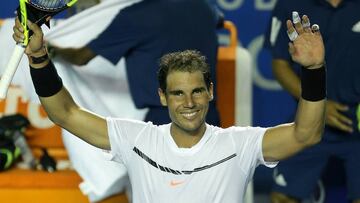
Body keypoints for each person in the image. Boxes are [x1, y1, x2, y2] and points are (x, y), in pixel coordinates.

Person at [13, 12, 326, 202]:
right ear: (162, 97)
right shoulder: (137, 140)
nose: (188, 102)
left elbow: (306, 135)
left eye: (196, 92)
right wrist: (39, 59)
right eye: (177, 93)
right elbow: (64, 113)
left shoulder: (238, 145)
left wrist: (314, 71)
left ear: (210, 93)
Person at [47, 0, 222, 126]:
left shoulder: (136, 16)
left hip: (166, 121)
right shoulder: (204, 6)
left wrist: (52, 49)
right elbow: (218, 19)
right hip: (208, 116)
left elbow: (81, 57)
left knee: (158, 179)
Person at [264, 0, 360, 202]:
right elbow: (280, 65)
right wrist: (318, 105)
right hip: (311, 121)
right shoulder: (289, 4)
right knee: (282, 198)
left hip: (357, 126)